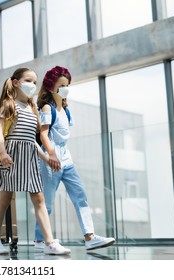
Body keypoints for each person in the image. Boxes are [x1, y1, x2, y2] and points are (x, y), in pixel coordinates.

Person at [0, 67, 71, 255]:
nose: (32, 85)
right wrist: (3, 153)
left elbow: (32, 141)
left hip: (30, 158)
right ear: (16, 83)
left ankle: (49, 242)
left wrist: (47, 158)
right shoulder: (8, 105)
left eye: (35, 82)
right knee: (5, 199)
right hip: (11, 156)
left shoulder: (33, 108)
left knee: (39, 198)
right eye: (28, 81)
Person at [34, 65, 115, 250]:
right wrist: (51, 155)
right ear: (50, 86)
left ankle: (90, 237)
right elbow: (43, 134)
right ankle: (40, 240)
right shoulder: (47, 108)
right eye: (61, 84)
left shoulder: (65, 109)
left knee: (80, 195)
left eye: (67, 84)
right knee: (46, 202)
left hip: (67, 161)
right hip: (50, 161)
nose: (65, 88)